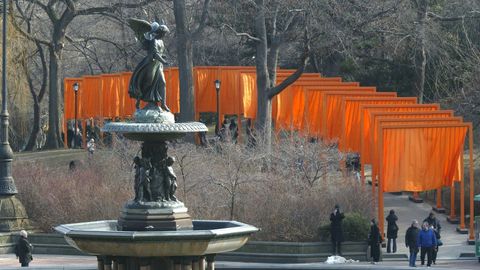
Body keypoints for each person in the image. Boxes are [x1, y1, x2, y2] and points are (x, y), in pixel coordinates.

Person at [128, 19, 171, 111]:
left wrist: (163, 58)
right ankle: (138, 101)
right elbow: (155, 54)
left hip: (158, 65)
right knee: (147, 84)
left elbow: (159, 52)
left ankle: (163, 103)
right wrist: (164, 61)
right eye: (165, 33)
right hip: (150, 64)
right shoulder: (153, 41)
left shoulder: (161, 42)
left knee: (162, 83)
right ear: (161, 32)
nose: (165, 35)